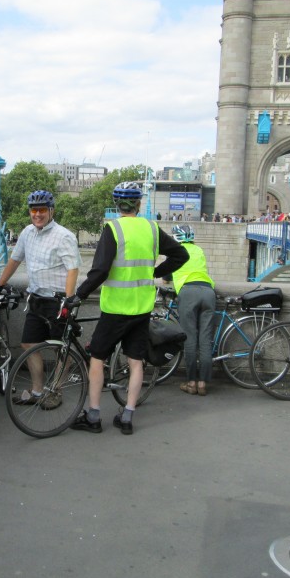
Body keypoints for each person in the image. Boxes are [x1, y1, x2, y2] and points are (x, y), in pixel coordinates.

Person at [68, 181, 187, 434]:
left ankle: (94, 416)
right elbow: (180, 256)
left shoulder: (113, 229)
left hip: (115, 308)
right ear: (138, 204)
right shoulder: (152, 228)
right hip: (142, 308)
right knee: (136, 362)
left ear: (116, 204)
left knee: (98, 359)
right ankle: (128, 416)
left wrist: (79, 295)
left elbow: (99, 271)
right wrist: (155, 271)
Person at [0, 190, 81, 408]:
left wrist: (69, 300)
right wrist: (0, 284)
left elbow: (73, 269)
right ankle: (36, 390)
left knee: (60, 348)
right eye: (34, 210)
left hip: (58, 301)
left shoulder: (64, 236)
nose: (38, 214)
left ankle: (56, 391)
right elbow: (15, 260)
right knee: (28, 344)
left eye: (42, 210)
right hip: (37, 299)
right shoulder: (27, 233)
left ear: (51, 211)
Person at [169, 225, 215, 397]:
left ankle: (191, 382)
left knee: (189, 338)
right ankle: (202, 384)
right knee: (205, 339)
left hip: (188, 293)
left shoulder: (175, 251)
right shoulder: (199, 250)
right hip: (208, 292)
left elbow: (166, 277)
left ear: (176, 238)